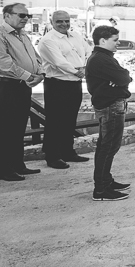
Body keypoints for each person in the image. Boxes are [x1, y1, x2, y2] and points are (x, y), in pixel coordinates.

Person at [0, 3, 43, 181]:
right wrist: (28, 75)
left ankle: (17, 164)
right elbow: (2, 63)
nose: (25, 19)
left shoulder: (23, 35)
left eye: (27, 16)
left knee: (18, 128)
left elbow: (35, 56)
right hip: (5, 86)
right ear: (7, 16)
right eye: (21, 15)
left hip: (22, 86)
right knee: (2, 129)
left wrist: (40, 73)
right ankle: (3, 170)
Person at [35, 10, 92, 168]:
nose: (64, 24)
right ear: (52, 22)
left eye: (66, 21)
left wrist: (86, 66)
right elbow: (59, 62)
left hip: (74, 83)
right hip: (57, 84)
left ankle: (68, 152)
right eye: (59, 21)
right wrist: (78, 71)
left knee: (70, 119)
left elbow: (88, 51)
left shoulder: (76, 36)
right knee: (55, 121)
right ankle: (52, 156)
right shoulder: (48, 40)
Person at [85, 25, 133, 202]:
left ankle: (106, 180)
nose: (118, 43)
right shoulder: (100, 59)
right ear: (102, 41)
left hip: (111, 104)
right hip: (109, 106)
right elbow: (123, 78)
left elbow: (125, 77)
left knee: (110, 146)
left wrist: (123, 78)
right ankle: (101, 188)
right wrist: (121, 79)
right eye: (115, 40)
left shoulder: (104, 57)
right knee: (108, 146)